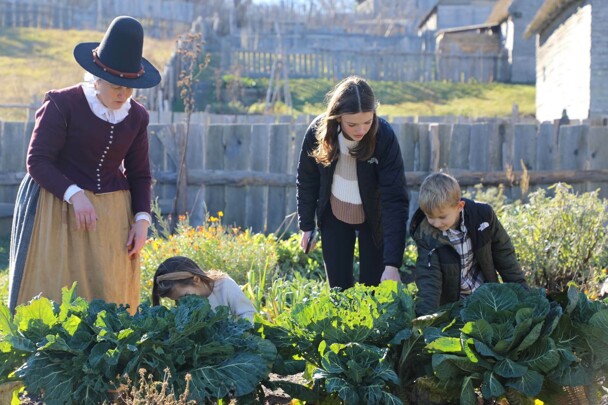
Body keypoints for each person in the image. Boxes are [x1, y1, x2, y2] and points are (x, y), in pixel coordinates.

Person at [8, 16, 161, 313]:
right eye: (117, 85)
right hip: (56, 208)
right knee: (52, 294)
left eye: (130, 87)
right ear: (98, 77)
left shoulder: (137, 116)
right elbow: (37, 161)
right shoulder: (62, 103)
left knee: (109, 299)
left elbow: (140, 174)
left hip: (110, 217)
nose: (123, 94)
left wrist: (142, 219)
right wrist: (75, 194)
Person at [296, 76, 409, 290]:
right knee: (339, 291)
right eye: (352, 124)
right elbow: (307, 179)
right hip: (335, 216)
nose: (361, 130)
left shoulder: (384, 136)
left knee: (373, 291)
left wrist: (392, 263)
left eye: (367, 122)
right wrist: (307, 226)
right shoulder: (318, 132)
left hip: (373, 220)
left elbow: (395, 199)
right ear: (338, 117)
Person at [410, 172, 528, 315]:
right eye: (430, 217)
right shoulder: (427, 235)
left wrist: (525, 296)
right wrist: (425, 319)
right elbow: (429, 280)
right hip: (453, 307)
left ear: (459, 206)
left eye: (442, 217)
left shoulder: (483, 216)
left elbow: (505, 256)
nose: (436, 223)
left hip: (487, 297)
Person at [152, 256, 256, 323]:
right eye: (176, 301)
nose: (182, 303)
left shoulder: (225, 286)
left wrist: (241, 337)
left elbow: (247, 313)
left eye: (185, 296)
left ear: (196, 279)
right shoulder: (186, 308)